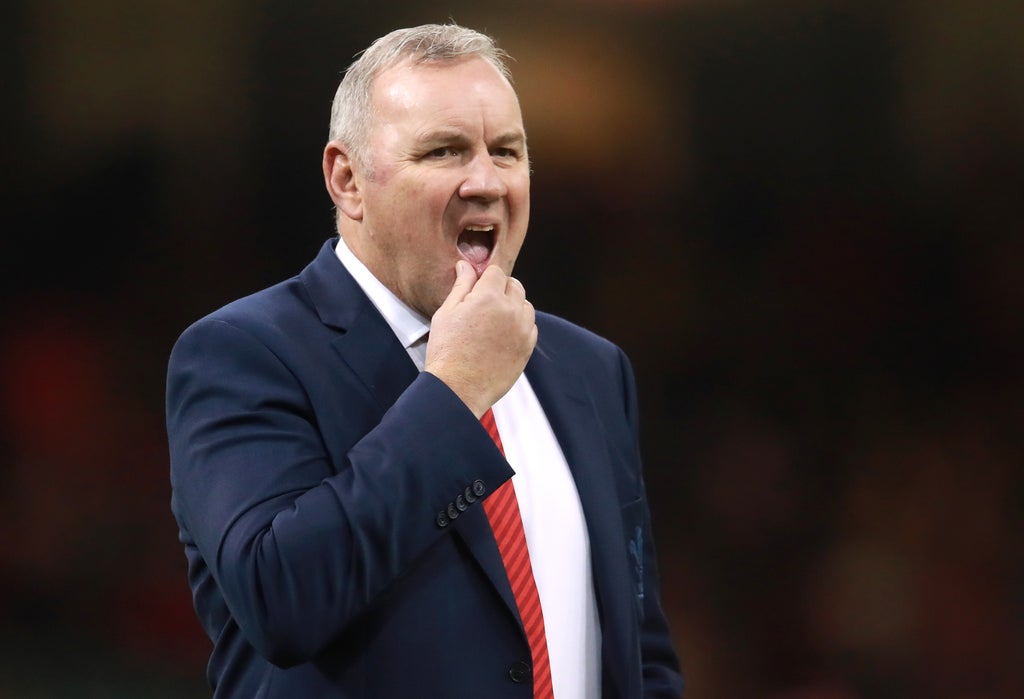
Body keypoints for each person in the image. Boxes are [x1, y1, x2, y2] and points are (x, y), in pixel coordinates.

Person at [166, 22, 684, 698]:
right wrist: (455, 391)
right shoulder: (243, 353)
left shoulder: (591, 369)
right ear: (348, 180)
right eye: (445, 151)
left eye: (507, 151)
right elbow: (281, 598)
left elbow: (640, 650)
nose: (486, 181)